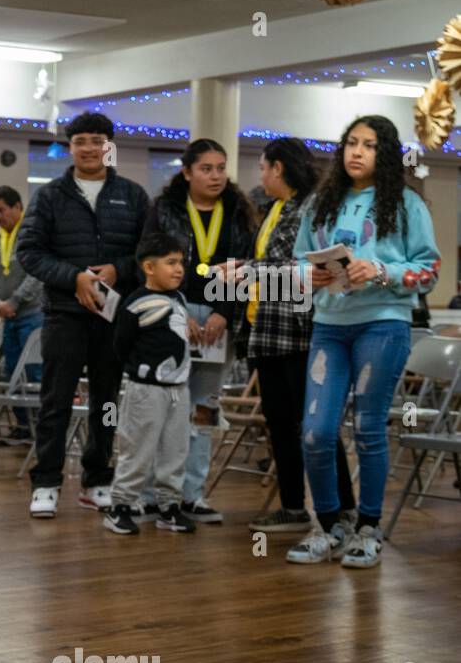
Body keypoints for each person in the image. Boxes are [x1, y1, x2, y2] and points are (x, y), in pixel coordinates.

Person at [288, 115, 440, 568]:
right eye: (351, 143)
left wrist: (381, 270)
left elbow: (428, 271)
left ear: (385, 154)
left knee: (369, 429)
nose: (356, 152)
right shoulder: (321, 202)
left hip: (384, 323)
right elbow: (295, 263)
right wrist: (307, 275)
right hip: (329, 325)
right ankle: (332, 524)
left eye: (369, 145)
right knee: (315, 432)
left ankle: (369, 529)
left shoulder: (407, 204)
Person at [17, 111, 150, 518]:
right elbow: (29, 252)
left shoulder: (132, 195)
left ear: (109, 146)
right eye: (81, 141)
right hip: (64, 314)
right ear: (70, 147)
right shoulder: (50, 195)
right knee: (55, 400)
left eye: (97, 140)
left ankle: (97, 480)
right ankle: (46, 482)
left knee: (106, 402)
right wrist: (73, 276)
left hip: (114, 318)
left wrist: (119, 270)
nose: (90, 148)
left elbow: (148, 253)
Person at [231, 137, 355, 534]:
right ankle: (292, 506)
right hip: (267, 330)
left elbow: (300, 267)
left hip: (301, 332)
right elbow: (271, 264)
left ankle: (344, 510)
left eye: (264, 167)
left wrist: (245, 269)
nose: (261, 175)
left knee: (315, 424)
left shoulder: (311, 209)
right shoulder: (273, 208)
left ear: (279, 168)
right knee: (280, 422)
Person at [143, 138, 255, 523]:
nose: (216, 175)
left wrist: (224, 311)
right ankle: (155, 493)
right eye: (206, 168)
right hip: (173, 311)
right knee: (166, 403)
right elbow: (151, 262)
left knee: (204, 406)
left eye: (221, 167)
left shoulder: (239, 212)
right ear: (187, 172)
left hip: (218, 319)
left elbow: (246, 266)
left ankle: (192, 494)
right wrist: (177, 312)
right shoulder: (164, 209)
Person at [105, 233, 195, 535]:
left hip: (179, 391)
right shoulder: (135, 303)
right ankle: (120, 505)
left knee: (175, 449)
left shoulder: (180, 299)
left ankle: (169, 506)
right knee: (138, 448)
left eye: (181, 262)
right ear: (149, 267)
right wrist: (142, 372)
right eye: (171, 263)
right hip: (145, 390)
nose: (179, 269)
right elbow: (121, 345)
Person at [0, 185, 45, 435]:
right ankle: (23, 424)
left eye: (2, 210)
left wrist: (15, 301)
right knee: (12, 371)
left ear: (18, 207)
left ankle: (41, 424)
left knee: (34, 371)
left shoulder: (32, 234)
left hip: (32, 314)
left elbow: (36, 272)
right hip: (7, 317)